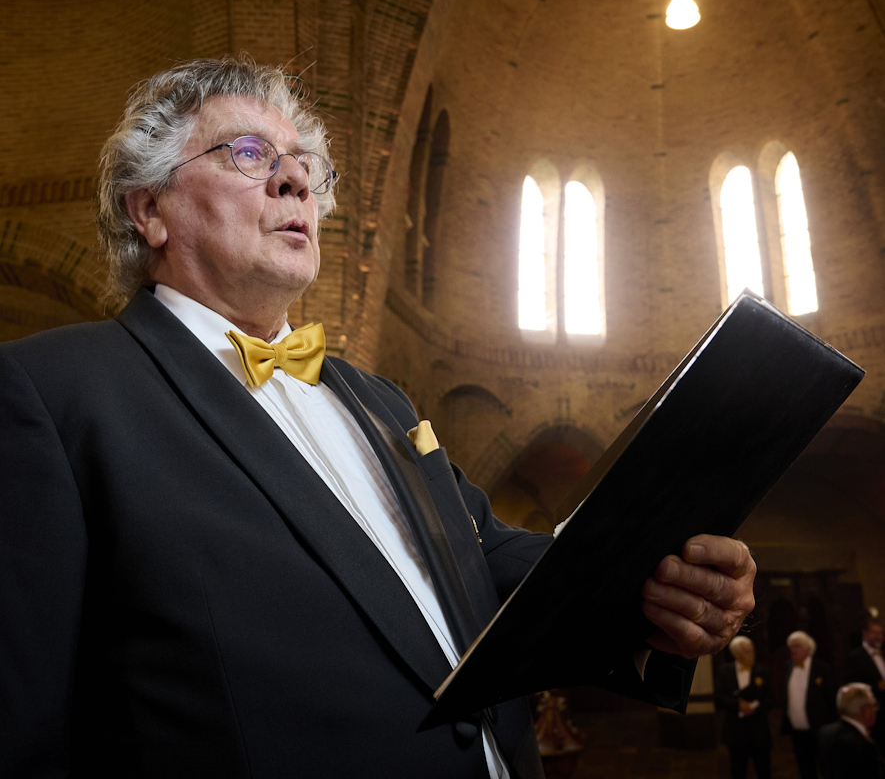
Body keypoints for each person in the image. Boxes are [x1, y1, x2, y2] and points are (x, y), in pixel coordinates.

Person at [0, 56, 757, 778]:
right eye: (249, 153)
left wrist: (655, 585)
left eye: (304, 163)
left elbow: (488, 561)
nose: (296, 178)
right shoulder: (54, 392)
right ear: (149, 208)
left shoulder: (377, 398)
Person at [782, 630, 837, 779]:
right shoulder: (789, 666)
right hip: (797, 731)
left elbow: (832, 700)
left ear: (808, 648)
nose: (793, 650)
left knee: (826, 768)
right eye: (791, 646)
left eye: (797, 646)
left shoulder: (822, 668)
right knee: (804, 769)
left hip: (819, 730)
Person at [716, 636, 773, 779]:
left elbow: (771, 699)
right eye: (747, 652)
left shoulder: (762, 671)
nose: (752, 655)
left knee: (764, 770)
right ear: (736, 654)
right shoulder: (724, 671)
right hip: (735, 731)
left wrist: (754, 708)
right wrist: (738, 705)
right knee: (737, 770)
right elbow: (719, 697)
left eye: (752, 651)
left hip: (759, 731)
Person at [818, 683, 885, 779]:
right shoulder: (865, 745)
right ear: (865, 711)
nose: (876, 710)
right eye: (874, 705)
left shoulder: (825, 732)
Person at [846, 618, 885, 753]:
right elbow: (853, 686)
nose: (879, 637)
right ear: (865, 633)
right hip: (872, 713)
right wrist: (876, 686)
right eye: (874, 633)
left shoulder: (883, 652)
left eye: (880, 633)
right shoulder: (855, 657)